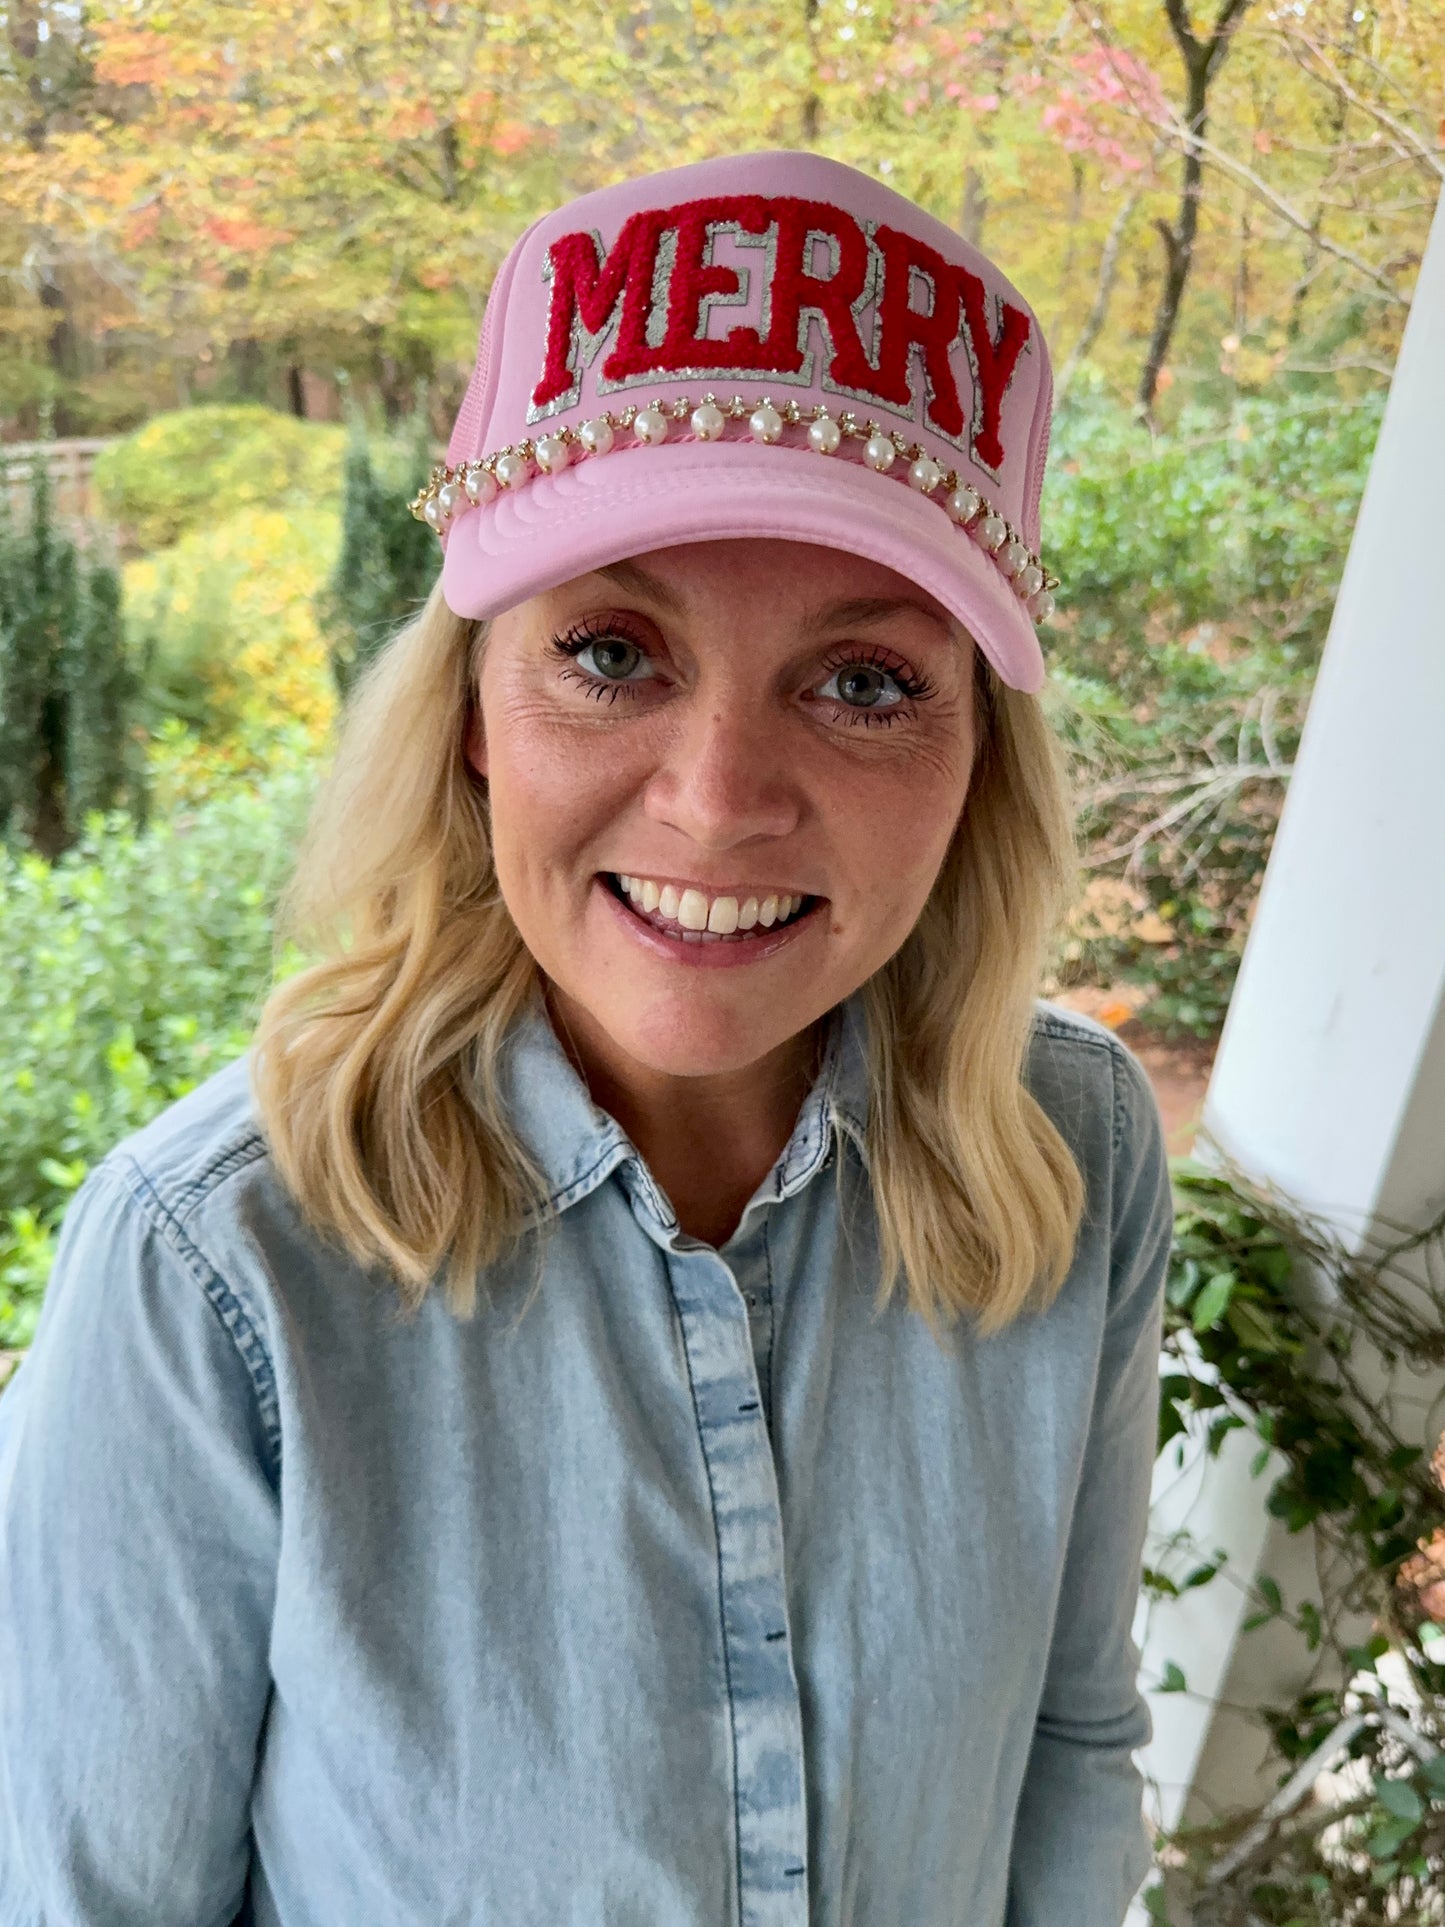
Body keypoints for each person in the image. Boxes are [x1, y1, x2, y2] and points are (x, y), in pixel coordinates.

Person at [0, 151, 1174, 1927]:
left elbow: (1070, 1754)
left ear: (976, 761)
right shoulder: (214, 1269)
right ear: (473, 709)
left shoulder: (1073, 1150)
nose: (715, 804)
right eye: (613, 653)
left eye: (863, 682)